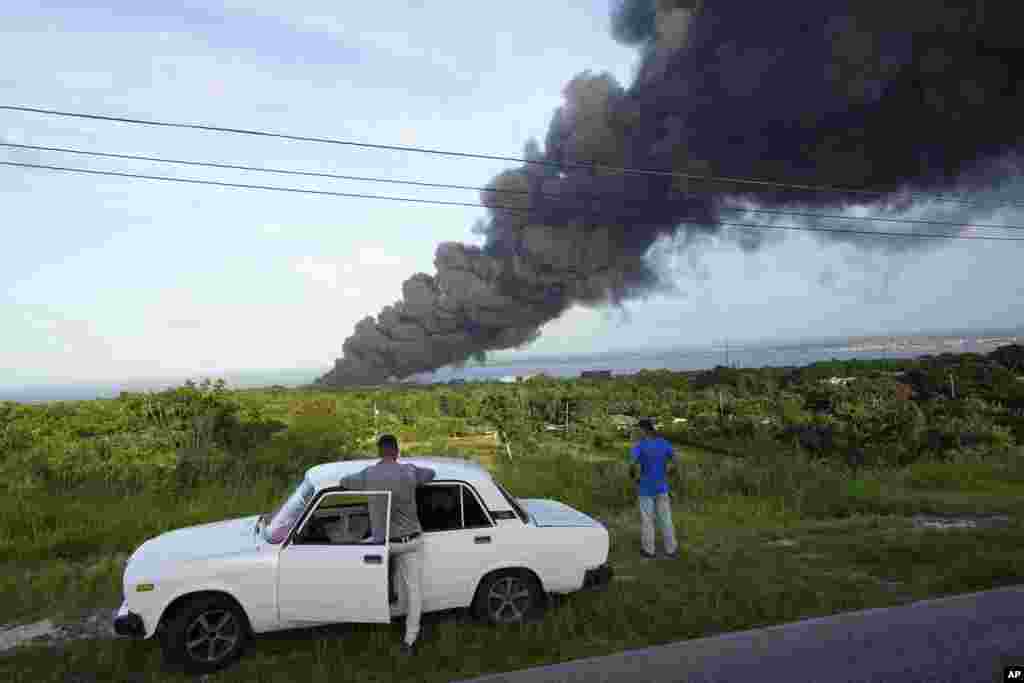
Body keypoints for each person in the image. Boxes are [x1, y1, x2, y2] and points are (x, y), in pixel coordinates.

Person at [337, 434, 436, 656]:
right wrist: (409, 469)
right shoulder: (409, 472)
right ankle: (410, 640)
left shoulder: (369, 475)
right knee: (414, 591)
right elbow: (431, 474)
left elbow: (344, 481)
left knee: (369, 566)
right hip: (412, 540)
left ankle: (381, 606)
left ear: (379, 452)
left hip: (385, 545)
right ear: (397, 451)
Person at [629, 418, 679, 559]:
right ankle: (671, 549)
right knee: (666, 519)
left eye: (638, 430)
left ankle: (649, 551)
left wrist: (635, 478)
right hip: (662, 487)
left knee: (647, 520)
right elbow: (675, 462)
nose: (637, 432)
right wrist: (668, 474)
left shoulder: (639, 446)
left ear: (644, 430)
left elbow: (632, 465)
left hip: (645, 488)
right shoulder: (664, 443)